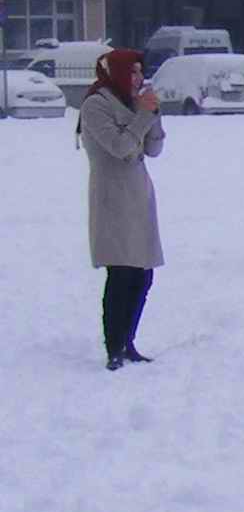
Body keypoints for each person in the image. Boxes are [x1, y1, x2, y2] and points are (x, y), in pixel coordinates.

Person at [78, 49, 165, 370]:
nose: (138, 78)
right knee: (121, 272)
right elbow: (120, 147)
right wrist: (142, 116)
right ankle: (114, 345)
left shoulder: (132, 103)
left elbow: (153, 148)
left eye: (141, 72)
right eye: (132, 72)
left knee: (143, 274)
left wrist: (154, 115)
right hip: (112, 198)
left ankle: (129, 341)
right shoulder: (96, 104)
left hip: (139, 196)